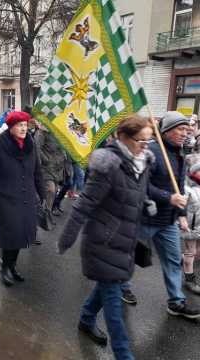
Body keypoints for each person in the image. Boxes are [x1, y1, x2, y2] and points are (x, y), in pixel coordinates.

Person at [58, 115, 155, 360]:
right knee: (114, 303)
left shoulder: (142, 163)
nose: (146, 146)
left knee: (107, 287)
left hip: (126, 239)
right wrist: (67, 237)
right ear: (123, 137)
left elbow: (132, 194)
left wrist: (147, 203)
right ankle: (123, 354)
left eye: (149, 141)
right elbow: (84, 204)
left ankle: (86, 319)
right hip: (104, 241)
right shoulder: (108, 166)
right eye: (141, 141)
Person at [139, 111, 200, 318]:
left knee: (173, 260)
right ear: (166, 131)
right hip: (145, 217)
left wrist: (181, 213)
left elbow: (180, 186)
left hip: (168, 220)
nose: (186, 133)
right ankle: (121, 287)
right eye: (180, 129)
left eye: (187, 129)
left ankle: (176, 302)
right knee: (129, 257)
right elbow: (141, 185)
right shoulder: (151, 151)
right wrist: (168, 197)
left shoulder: (178, 152)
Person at [0, 111, 45, 287]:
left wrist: (42, 194)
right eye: (19, 125)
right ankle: (5, 266)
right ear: (11, 127)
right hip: (7, 198)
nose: (23, 128)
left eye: (25, 125)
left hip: (27, 197)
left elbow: (37, 172)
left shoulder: (31, 144)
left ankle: (12, 266)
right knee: (10, 236)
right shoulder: (0, 146)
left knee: (22, 235)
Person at [35, 127, 66, 226]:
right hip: (46, 168)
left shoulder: (59, 131)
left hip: (57, 168)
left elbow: (62, 148)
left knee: (54, 191)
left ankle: (46, 214)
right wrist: (45, 159)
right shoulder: (41, 132)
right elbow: (36, 148)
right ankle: (42, 215)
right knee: (50, 190)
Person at [181, 161, 200, 294]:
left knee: (196, 253)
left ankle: (182, 259)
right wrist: (182, 221)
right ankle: (189, 279)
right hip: (191, 227)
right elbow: (180, 207)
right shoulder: (187, 188)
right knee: (190, 253)